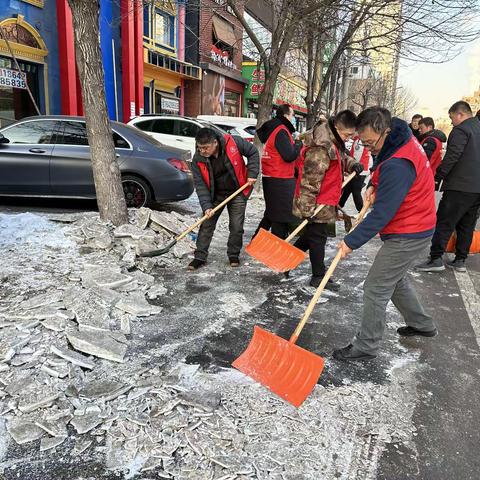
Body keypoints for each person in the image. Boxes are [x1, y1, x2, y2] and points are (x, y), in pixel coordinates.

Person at [334, 107, 437, 362]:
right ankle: (422, 324)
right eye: (364, 143)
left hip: (410, 230)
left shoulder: (399, 163)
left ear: (384, 130)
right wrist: (372, 184)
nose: (368, 149)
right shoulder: (398, 137)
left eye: (370, 143)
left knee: (376, 286)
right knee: (395, 280)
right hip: (417, 223)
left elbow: (381, 215)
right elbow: (381, 164)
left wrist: (351, 242)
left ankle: (366, 345)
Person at [292, 110, 364, 290]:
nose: (348, 138)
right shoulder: (321, 147)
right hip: (316, 200)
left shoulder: (334, 139)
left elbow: (340, 157)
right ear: (337, 127)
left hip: (326, 197)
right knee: (318, 238)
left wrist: (352, 164)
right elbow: (310, 181)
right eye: (347, 134)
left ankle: (289, 260)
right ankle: (318, 276)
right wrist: (307, 210)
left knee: (312, 235)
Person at [416, 101, 480, 273]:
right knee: (467, 224)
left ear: (460, 114)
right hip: (476, 189)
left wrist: (438, 176)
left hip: (459, 186)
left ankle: (436, 258)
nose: (451, 122)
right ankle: (460, 260)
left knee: (445, 221)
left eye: (452, 118)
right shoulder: (478, 127)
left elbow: (452, 156)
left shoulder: (461, 130)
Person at [188, 128, 259, 270]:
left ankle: (233, 254)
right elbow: (200, 185)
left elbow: (253, 152)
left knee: (236, 226)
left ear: (215, 143)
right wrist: (207, 206)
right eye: (199, 147)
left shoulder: (233, 142)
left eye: (205, 148)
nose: (202, 151)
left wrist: (252, 173)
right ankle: (199, 257)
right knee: (207, 224)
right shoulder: (198, 159)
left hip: (237, 191)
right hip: (215, 194)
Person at [254, 104, 302, 239]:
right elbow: (289, 155)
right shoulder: (281, 131)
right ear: (286, 116)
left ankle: (256, 241)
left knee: (271, 213)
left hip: (273, 177)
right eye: (292, 115)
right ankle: (277, 243)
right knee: (280, 217)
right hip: (280, 179)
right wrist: (298, 145)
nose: (293, 119)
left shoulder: (274, 129)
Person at [339, 133, 371, 212]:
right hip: (358, 170)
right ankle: (339, 206)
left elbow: (357, 157)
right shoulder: (359, 139)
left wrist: (352, 168)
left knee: (356, 191)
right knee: (347, 189)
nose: (349, 137)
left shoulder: (359, 141)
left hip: (359, 171)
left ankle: (361, 211)